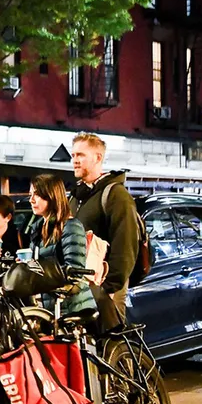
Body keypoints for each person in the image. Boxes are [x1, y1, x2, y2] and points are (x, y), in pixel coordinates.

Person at [68, 132, 140, 319]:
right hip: (81, 287)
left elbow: (126, 245)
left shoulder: (116, 196)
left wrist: (109, 287)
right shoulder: (77, 197)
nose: (74, 160)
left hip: (105, 288)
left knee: (110, 344)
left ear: (98, 158)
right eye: (73, 155)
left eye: (81, 155)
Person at [28, 174, 97, 316]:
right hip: (50, 307)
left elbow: (75, 270)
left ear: (51, 195)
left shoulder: (71, 226)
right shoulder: (38, 229)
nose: (31, 200)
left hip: (73, 307)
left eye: (37, 195)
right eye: (30, 195)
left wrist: (40, 271)